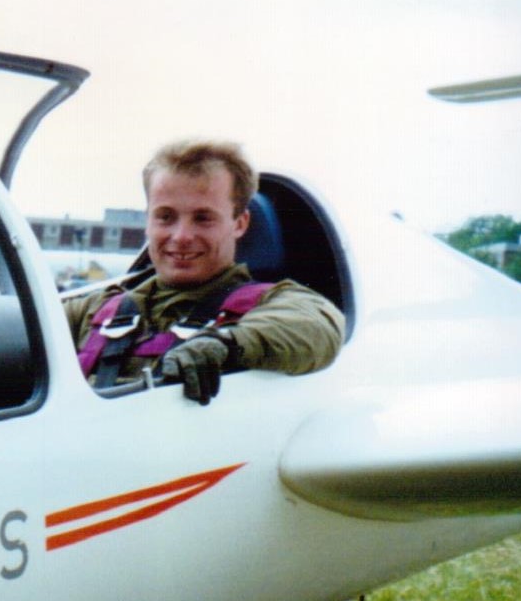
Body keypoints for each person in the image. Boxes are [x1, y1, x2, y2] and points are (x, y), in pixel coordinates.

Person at [64, 140, 343, 404]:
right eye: (165, 217)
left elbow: (318, 325)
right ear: (148, 221)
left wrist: (223, 345)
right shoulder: (92, 310)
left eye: (203, 218)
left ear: (240, 223)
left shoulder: (272, 304)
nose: (181, 236)